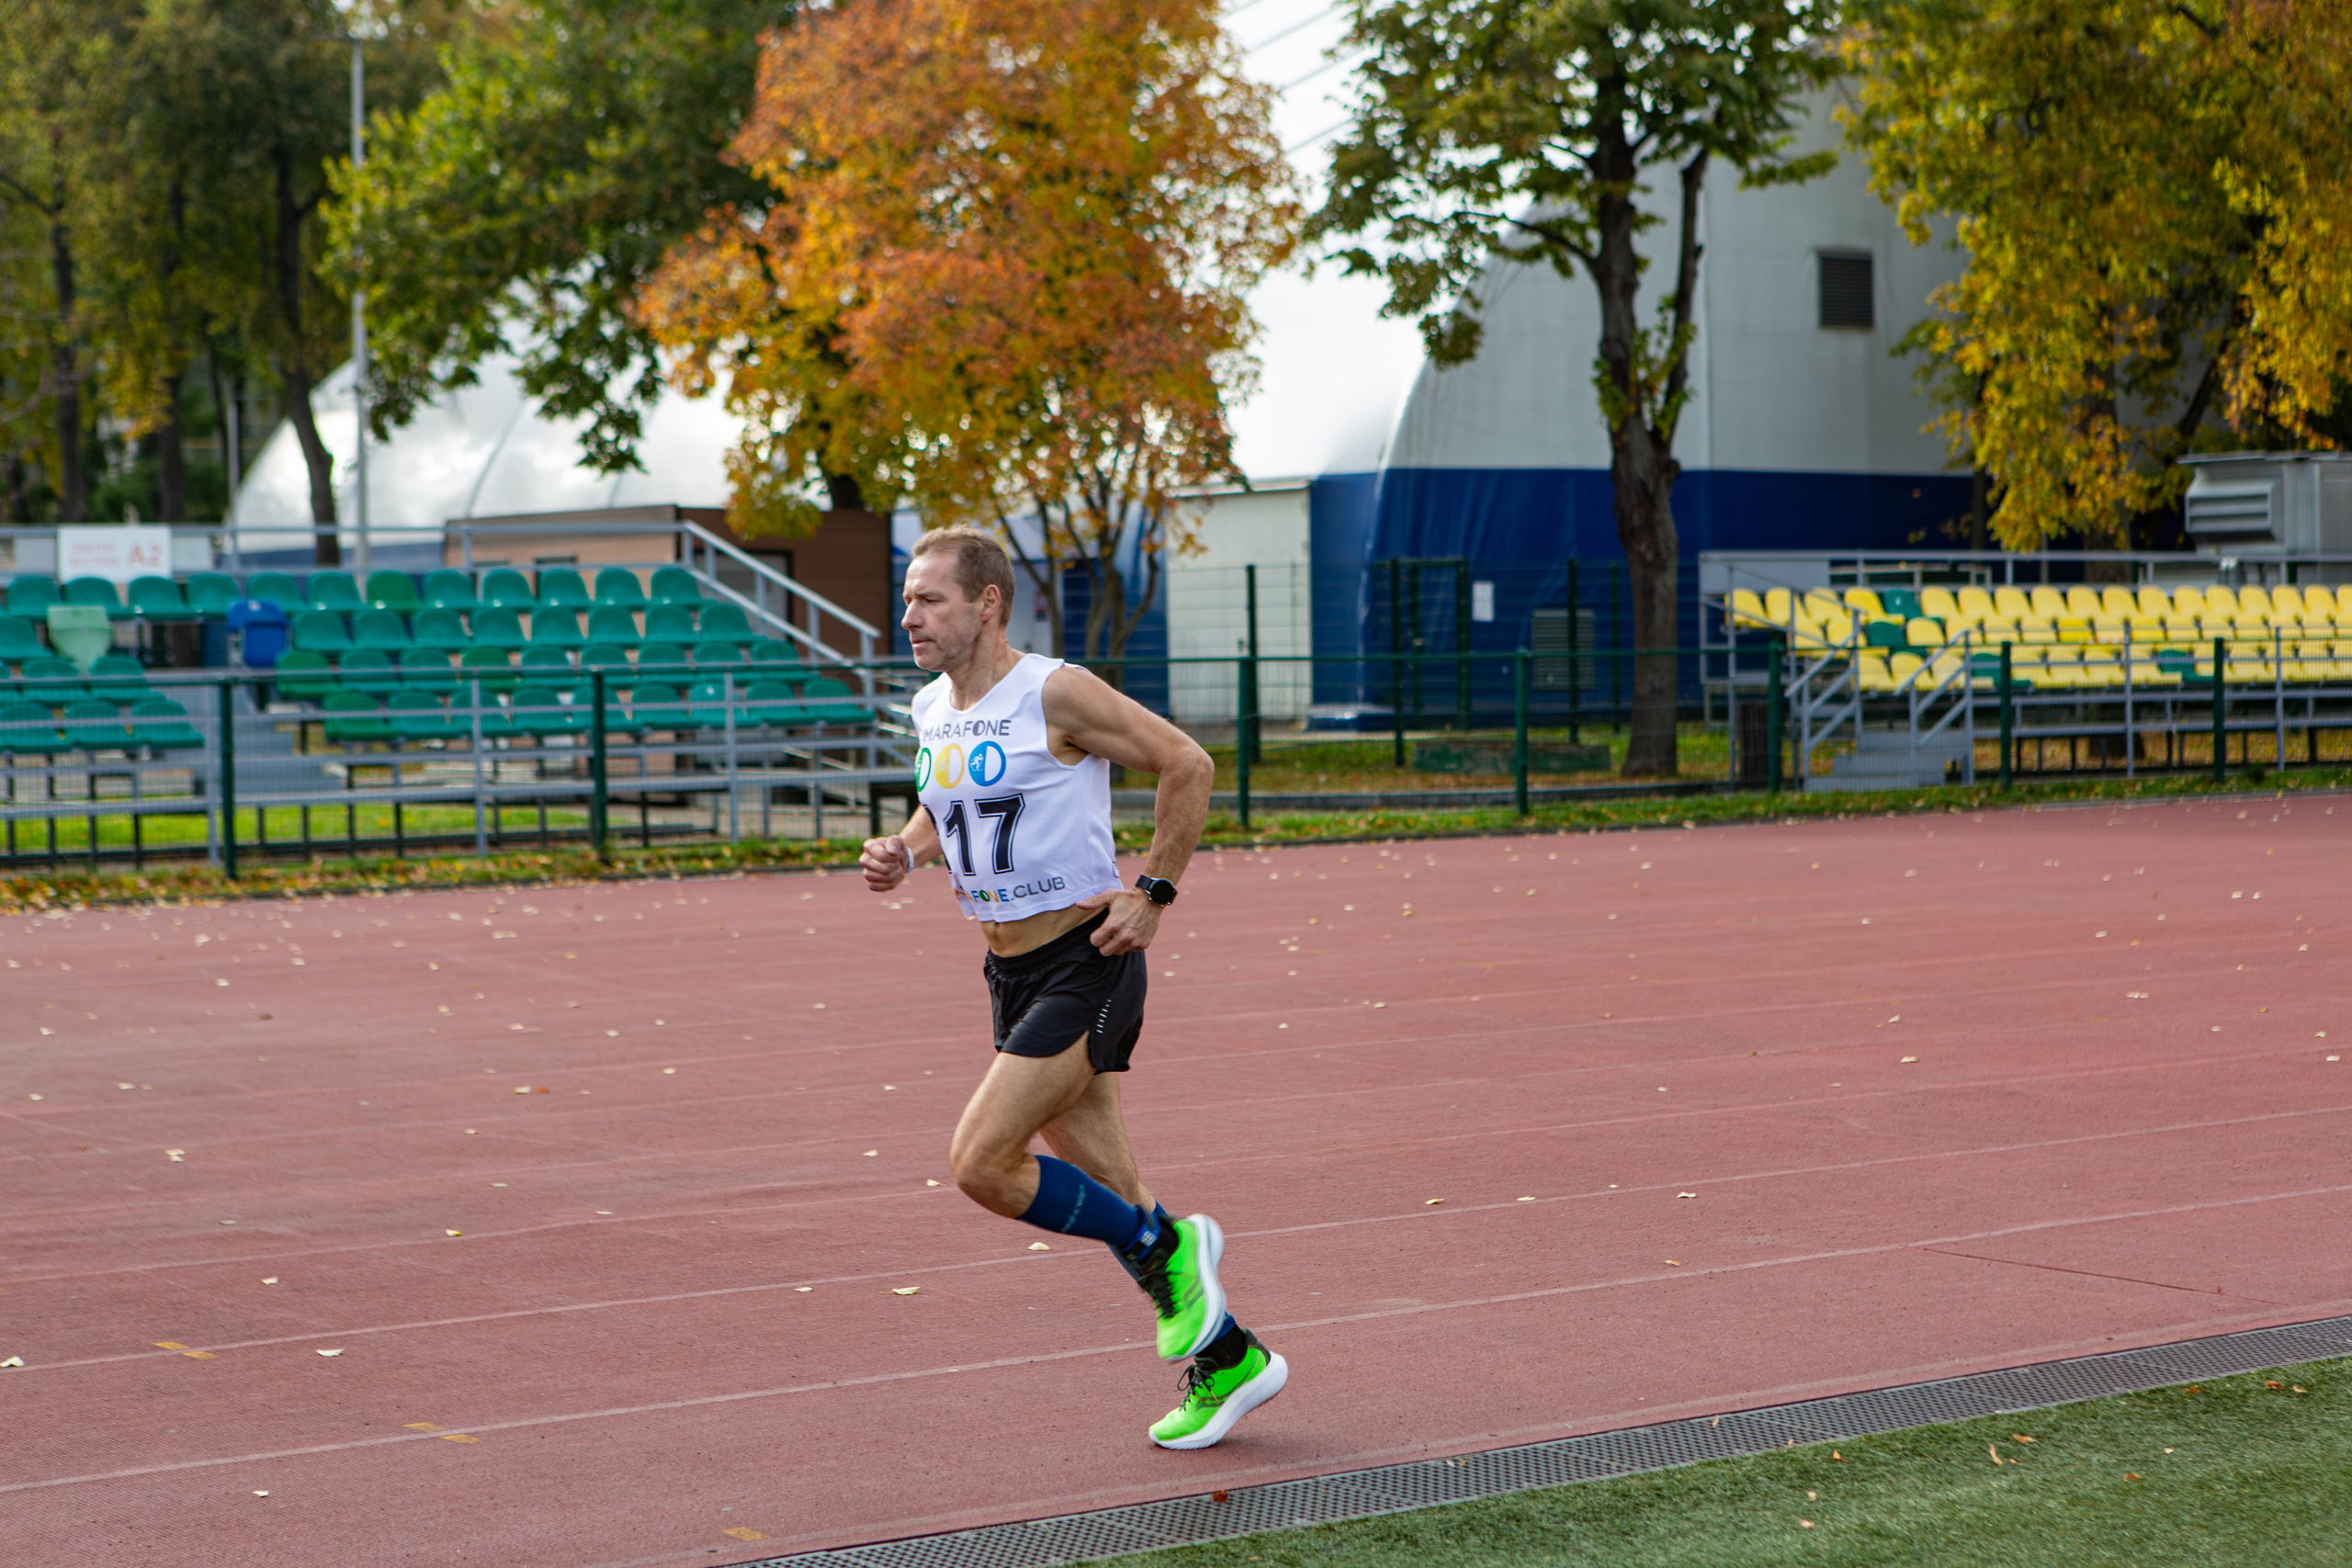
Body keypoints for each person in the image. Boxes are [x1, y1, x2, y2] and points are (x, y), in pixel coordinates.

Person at [860, 526, 1287, 1450]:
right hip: (1007, 972)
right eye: (906, 599)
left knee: (980, 1161)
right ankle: (1230, 1360)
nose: (909, 616)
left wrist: (1154, 894)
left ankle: (1170, 1249)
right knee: (1116, 1188)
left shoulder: (1053, 692)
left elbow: (1188, 762)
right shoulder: (933, 707)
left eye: (929, 599)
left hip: (1084, 960)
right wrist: (906, 847)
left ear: (987, 604)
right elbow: (947, 801)